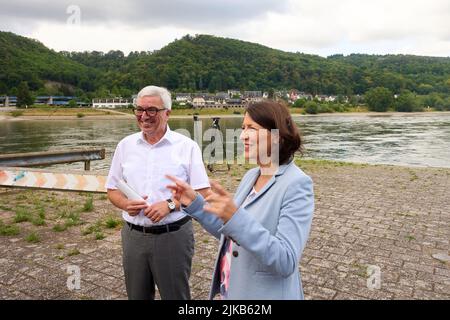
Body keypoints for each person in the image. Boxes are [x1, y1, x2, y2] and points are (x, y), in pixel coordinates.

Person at [167, 100, 314, 300]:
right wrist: (194, 202)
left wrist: (235, 217)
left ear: (277, 136)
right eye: (243, 128)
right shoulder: (251, 176)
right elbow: (231, 232)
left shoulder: (297, 184)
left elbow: (286, 260)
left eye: (252, 129)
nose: (243, 135)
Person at [105, 85, 210, 300]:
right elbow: (112, 189)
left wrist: (170, 204)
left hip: (173, 236)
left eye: (151, 110)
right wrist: (126, 205)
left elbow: (202, 192)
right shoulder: (125, 145)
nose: (144, 116)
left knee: (176, 297)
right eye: (139, 109)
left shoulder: (187, 146)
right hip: (133, 236)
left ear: (167, 113)